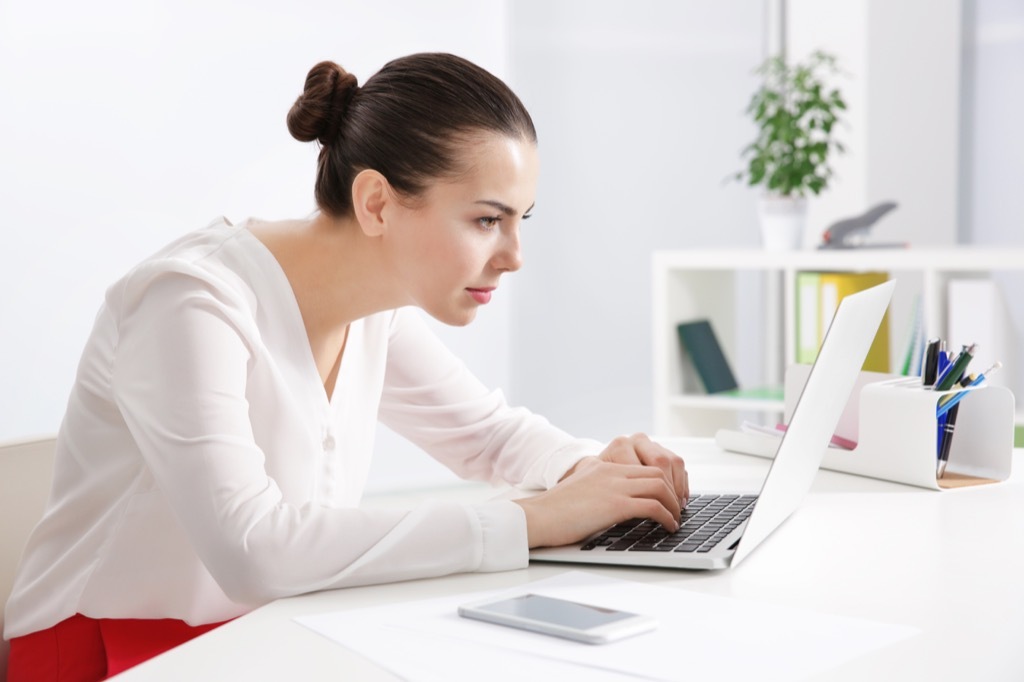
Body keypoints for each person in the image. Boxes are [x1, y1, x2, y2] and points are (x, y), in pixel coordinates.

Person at [4, 53, 688, 680]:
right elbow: (254, 550)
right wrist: (534, 520)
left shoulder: (373, 309)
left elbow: (488, 434)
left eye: (520, 221)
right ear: (376, 203)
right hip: (109, 655)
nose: (513, 255)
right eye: (486, 220)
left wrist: (594, 474)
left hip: (260, 637)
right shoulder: (190, 303)